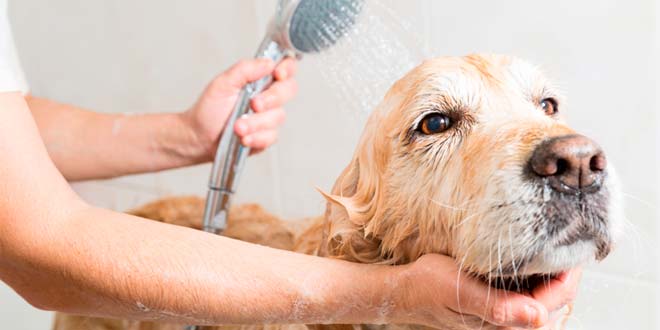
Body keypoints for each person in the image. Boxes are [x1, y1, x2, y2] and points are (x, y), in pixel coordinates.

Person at [0, 1, 579, 329]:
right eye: (438, 123)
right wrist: (386, 294)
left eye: (546, 105)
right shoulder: (369, 273)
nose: (566, 150)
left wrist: (181, 137)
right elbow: (36, 248)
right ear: (369, 232)